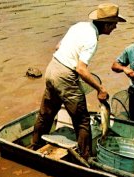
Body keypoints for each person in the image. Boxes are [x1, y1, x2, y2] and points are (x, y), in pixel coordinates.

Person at [31, 3, 126, 159]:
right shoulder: (92, 40)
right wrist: (100, 89)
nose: (115, 27)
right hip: (66, 76)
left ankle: (34, 146)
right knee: (82, 120)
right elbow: (81, 70)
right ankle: (86, 157)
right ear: (106, 24)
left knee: (45, 114)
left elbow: (57, 47)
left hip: (52, 69)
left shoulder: (79, 26)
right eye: (114, 24)